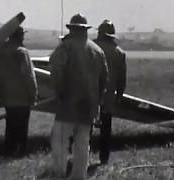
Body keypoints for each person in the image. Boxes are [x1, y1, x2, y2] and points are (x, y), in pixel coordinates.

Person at [49, 13, 108, 179]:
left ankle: (59, 174)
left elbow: (56, 71)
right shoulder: (98, 50)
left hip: (68, 104)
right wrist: (97, 100)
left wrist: (60, 93)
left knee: (60, 141)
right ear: (86, 30)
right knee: (82, 144)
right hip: (89, 106)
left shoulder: (65, 47)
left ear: (71, 28)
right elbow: (105, 78)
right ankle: (79, 176)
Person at [0, 26, 38, 157]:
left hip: (7, 96)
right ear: (19, 35)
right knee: (22, 128)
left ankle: (9, 151)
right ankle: (20, 153)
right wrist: (33, 94)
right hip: (22, 96)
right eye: (22, 34)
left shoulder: (1, 51)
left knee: (11, 125)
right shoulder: (22, 52)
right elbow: (28, 75)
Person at [93, 19, 127, 164]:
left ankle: (82, 156)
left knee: (84, 127)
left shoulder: (92, 47)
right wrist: (119, 95)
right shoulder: (119, 52)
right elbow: (122, 77)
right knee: (106, 128)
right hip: (108, 95)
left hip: (91, 93)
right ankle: (104, 158)